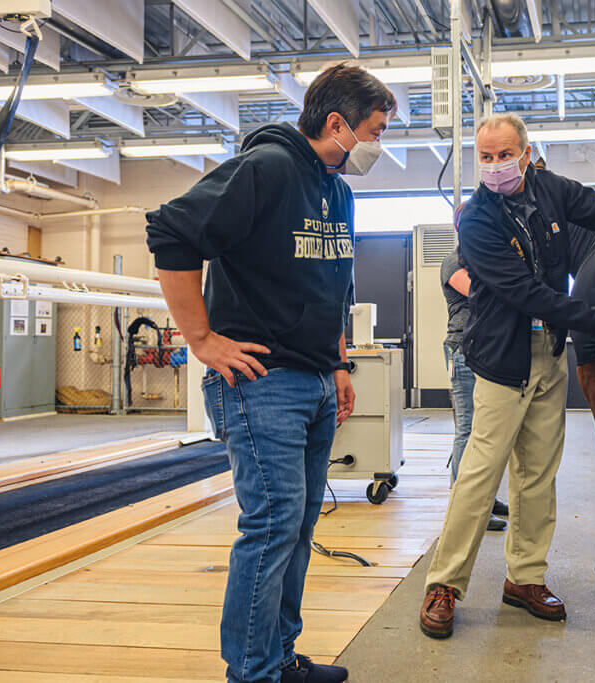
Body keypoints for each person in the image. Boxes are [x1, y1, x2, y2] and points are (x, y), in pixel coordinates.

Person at [146, 63, 395, 683]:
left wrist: (338, 361)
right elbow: (171, 230)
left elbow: (334, 284)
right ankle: (253, 674)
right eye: (375, 131)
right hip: (262, 383)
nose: (377, 146)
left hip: (313, 379)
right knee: (272, 525)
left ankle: (278, 660)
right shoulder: (268, 169)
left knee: (300, 524)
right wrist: (200, 338)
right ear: (337, 124)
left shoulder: (337, 191)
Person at [419, 113, 595, 639]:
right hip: (502, 360)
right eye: (486, 156)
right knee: (480, 476)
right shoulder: (477, 219)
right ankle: (444, 583)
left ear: (526, 154)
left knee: (538, 473)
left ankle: (524, 578)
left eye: (505, 154)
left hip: (548, 355)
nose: (496, 165)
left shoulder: (551, 190)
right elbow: (525, 294)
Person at [441, 243, 508, 532]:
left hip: (488, 351)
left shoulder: (481, 256)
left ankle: (485, 497)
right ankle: (465, 506)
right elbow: (478, 293)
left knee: (486, 431)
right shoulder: (453, 262)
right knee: (467, 429)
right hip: (463, 350)